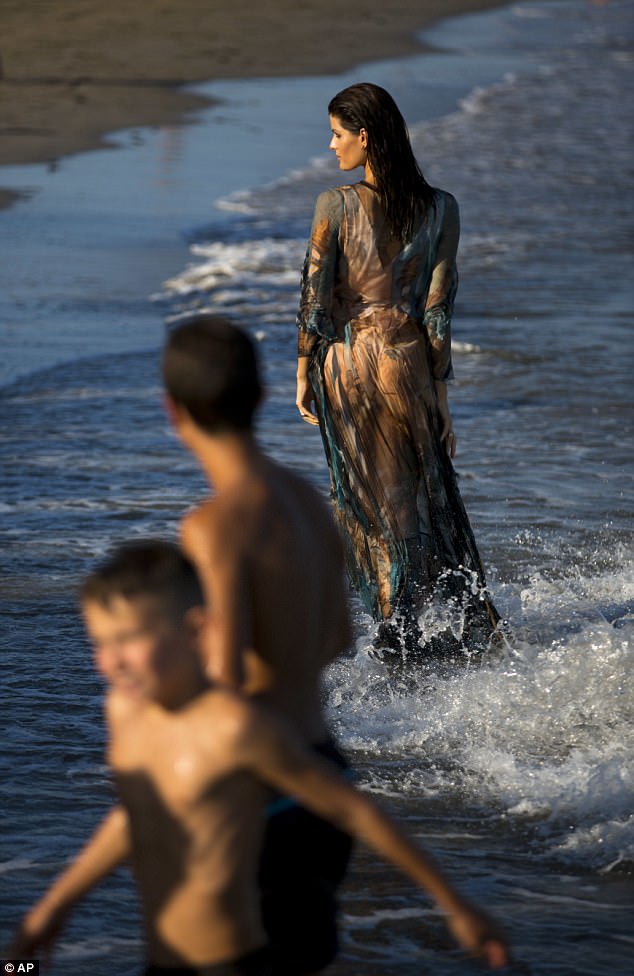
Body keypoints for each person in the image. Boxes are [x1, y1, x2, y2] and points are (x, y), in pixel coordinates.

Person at [8, 541, 511, 975]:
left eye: (130, 640)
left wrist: (455, 906)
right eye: (100, 641)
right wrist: (51, 911)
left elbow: (351, 810)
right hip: (162, 960)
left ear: (195, 629)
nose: (112, 660)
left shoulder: (235, 728)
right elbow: (137, 813)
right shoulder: (125, 712)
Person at [162, 314, 353, 973]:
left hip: (263, 791)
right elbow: (340, 636)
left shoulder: (213, 526)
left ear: (172, 411)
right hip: (326, 769)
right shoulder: (307, 501)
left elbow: (226, 679)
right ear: (263, 397)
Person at [295, 82, 501, 662]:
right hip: (407, 358)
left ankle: (394, 630)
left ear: (366, 135)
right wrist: (440, 394)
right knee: (412, 493)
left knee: (368, 500)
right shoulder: (441, 207)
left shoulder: (336, 204)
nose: (331, 145)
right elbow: (438, 309)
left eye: (338, 133)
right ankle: (426, 620)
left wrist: (304, 365)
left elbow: (316, 294)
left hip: (353, 358)